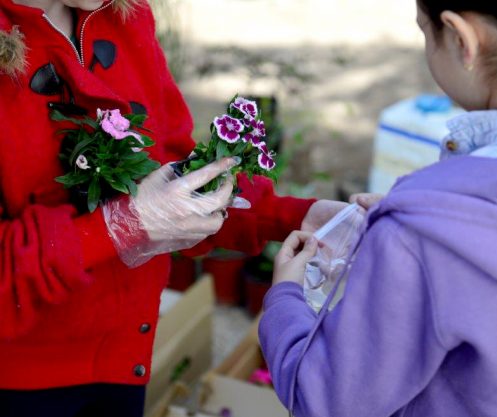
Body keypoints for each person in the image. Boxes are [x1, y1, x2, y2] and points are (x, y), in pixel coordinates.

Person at [0, 0, 346, 416]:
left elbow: (173, 174)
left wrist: (297, 216)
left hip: (124, 357)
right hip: (20, 379)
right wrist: (121, 226)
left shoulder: (122, 16)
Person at [259, 1, 497, 416]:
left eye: (423, 30)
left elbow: (327, 400)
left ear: (460, 39)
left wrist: (286, 297)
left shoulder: (421, 234)